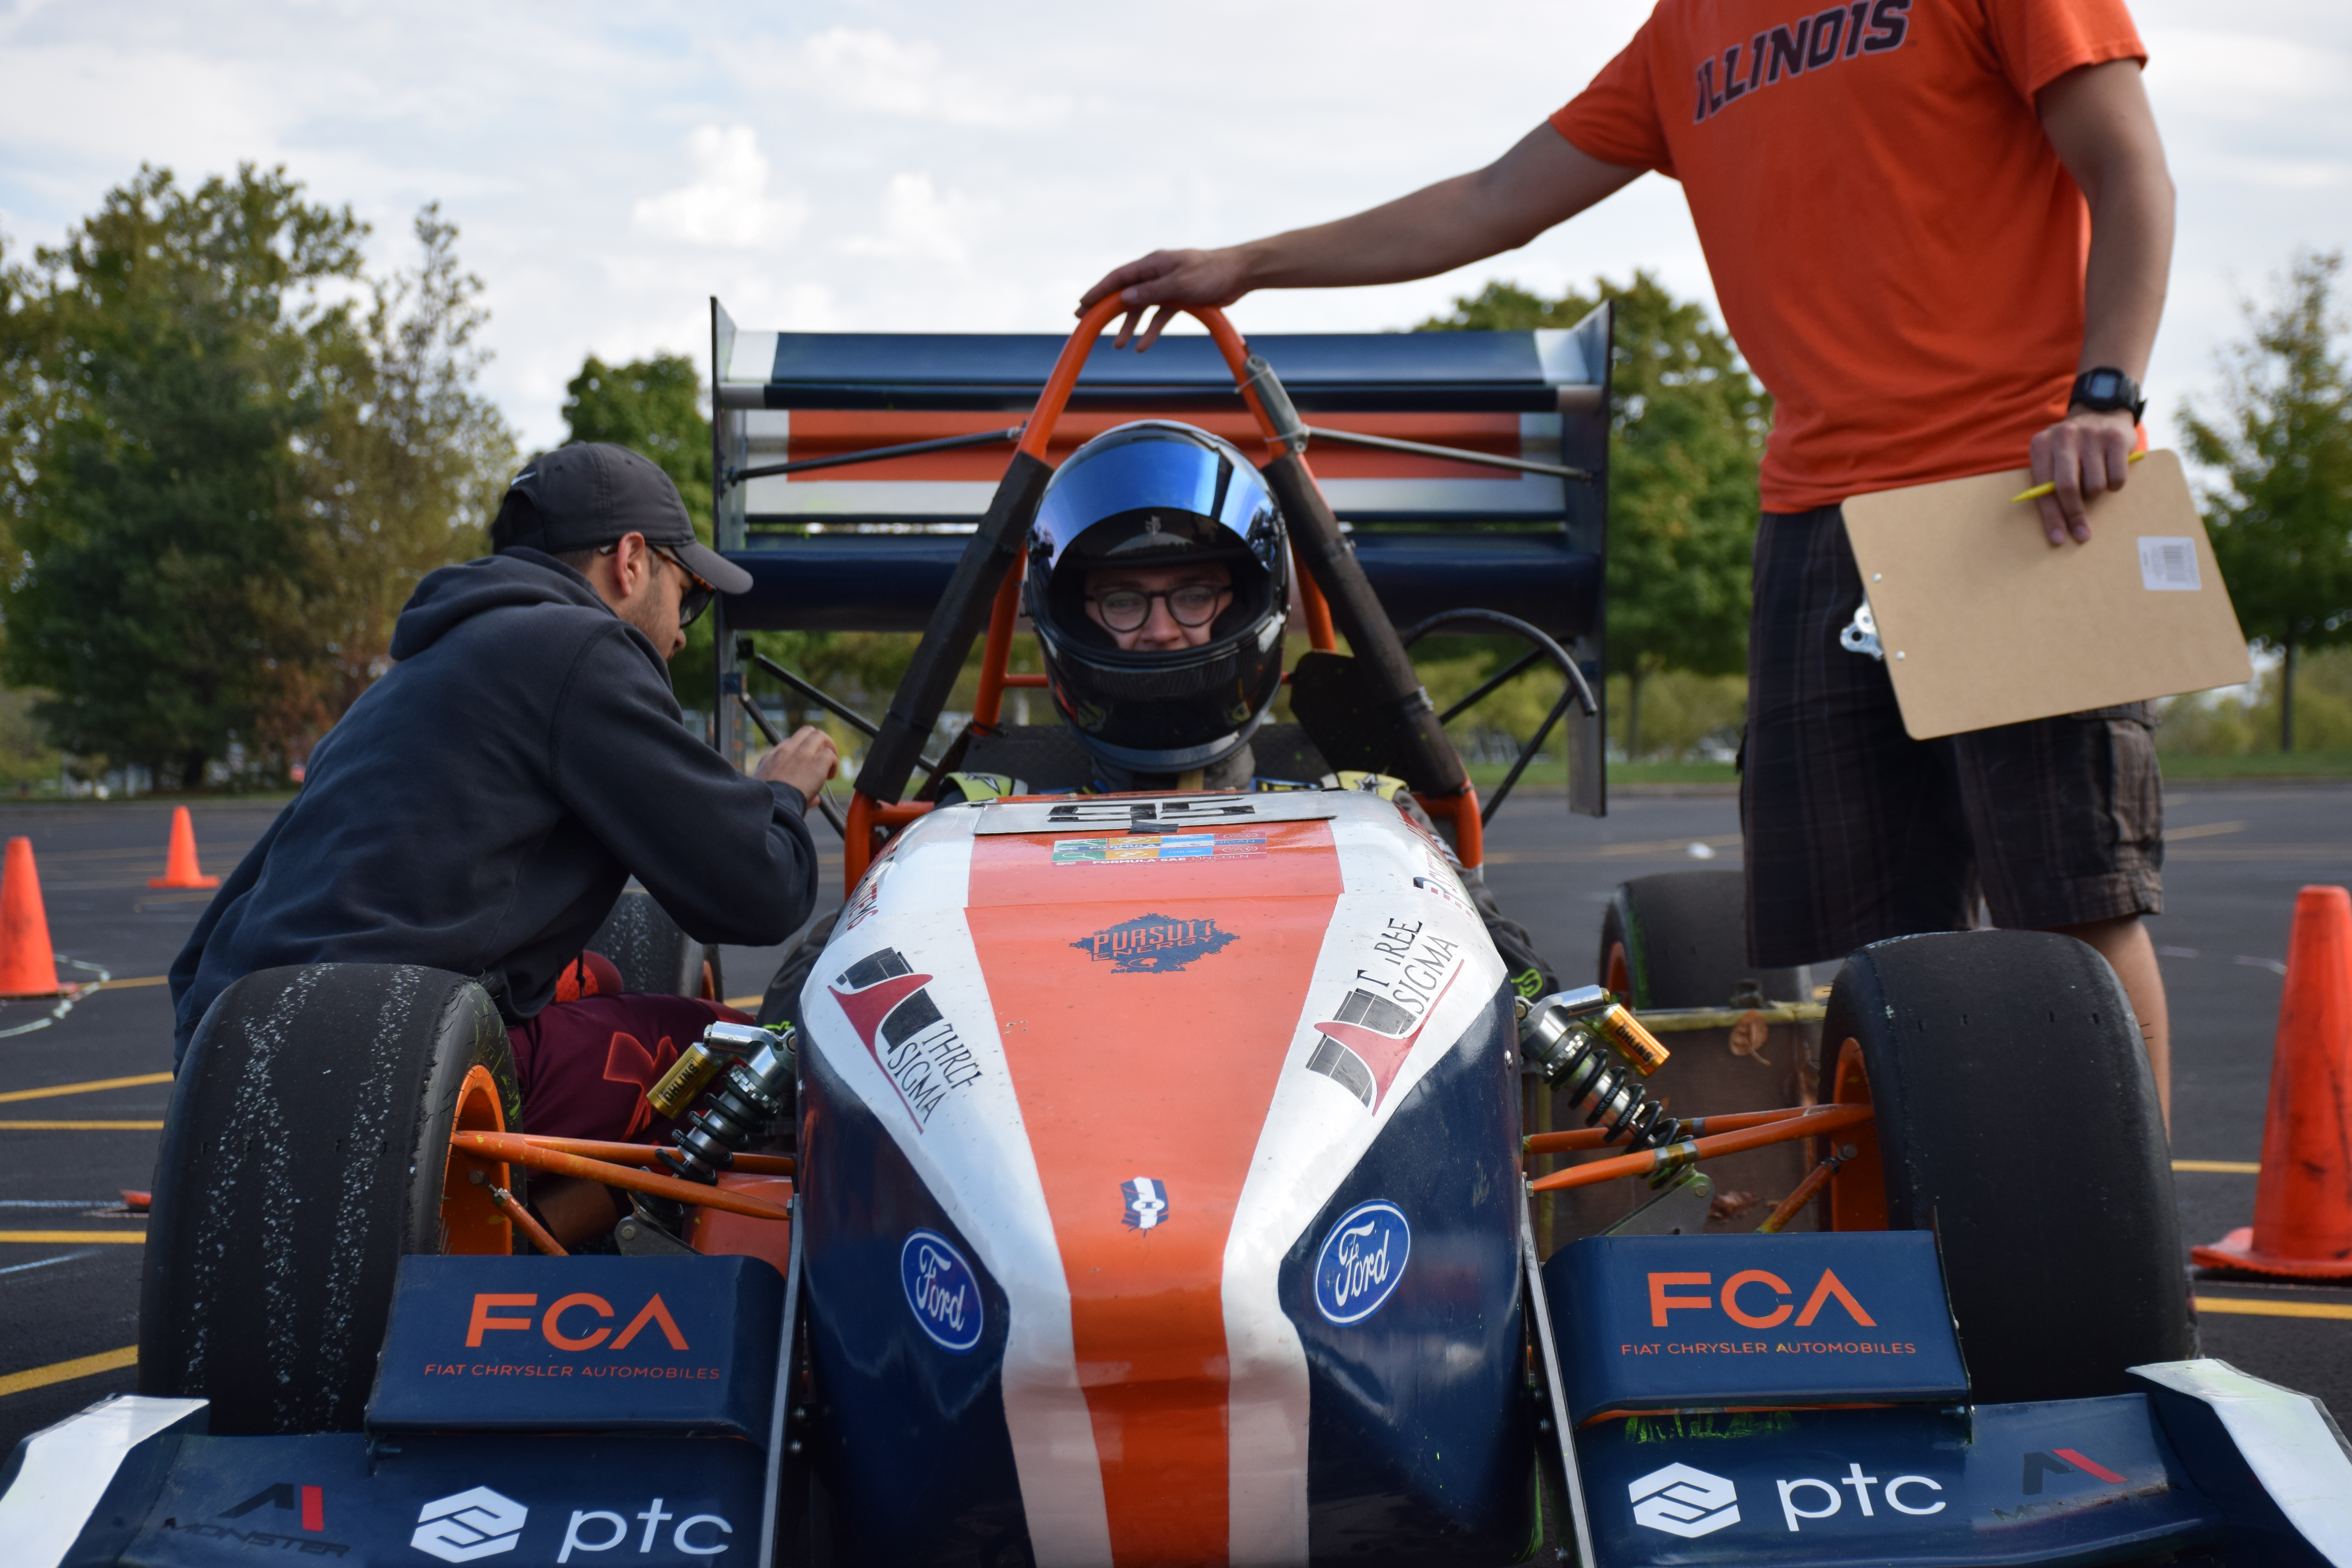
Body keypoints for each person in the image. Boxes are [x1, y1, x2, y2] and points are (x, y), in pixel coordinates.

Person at [1076, 0, 2177, 1118]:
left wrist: (2107, 390)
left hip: (2013, 482)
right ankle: (1944, 1242)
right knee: (1880, 935)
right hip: (1815, 505)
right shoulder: (1690, 28)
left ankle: (2130, 1281)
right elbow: (1494, 203)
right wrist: (1249, 264)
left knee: (2072, 908)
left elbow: (2130, 169)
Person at [169, 442, 840, 1240]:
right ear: (631, 561)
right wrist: (782, 795)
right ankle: (516, 1262)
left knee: (598, 975)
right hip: (390, 1061)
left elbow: (209, 940)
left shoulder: (421, 670)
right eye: (686, 597)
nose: (684, 635)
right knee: (742, 1059)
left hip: (232, 1052)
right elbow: (758, 889)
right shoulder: (585, 649)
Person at [953, 421, 1559, 995]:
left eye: (1194, 596)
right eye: (1121, 601)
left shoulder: (1364, 806)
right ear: (1072, 614)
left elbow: (1519, 984)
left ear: (1246, 602)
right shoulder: (978, 812)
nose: (1161, 631)